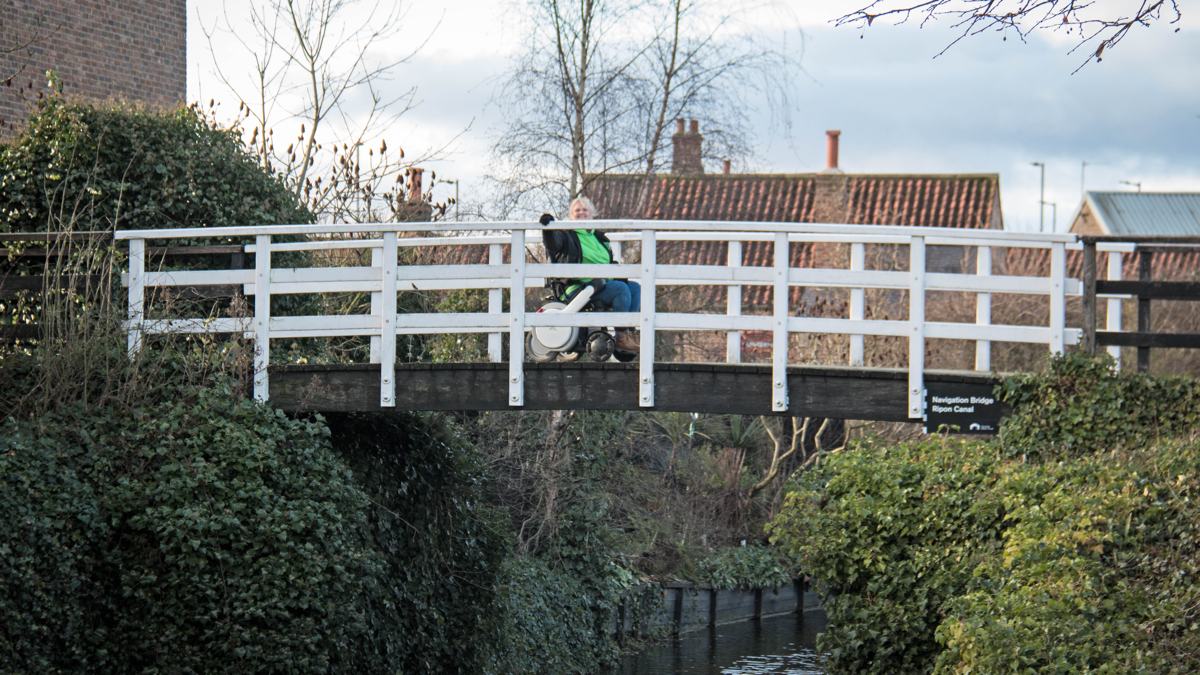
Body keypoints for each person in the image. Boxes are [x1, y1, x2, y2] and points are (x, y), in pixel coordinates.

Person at [540, 196, 641, 352]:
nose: (581, 213)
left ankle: (629, 333)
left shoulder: (600, 238)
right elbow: (553, 244)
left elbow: (609, 262)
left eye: (585, 210)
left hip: (602, 284)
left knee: (635, 288)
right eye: (577, 210)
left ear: (592, 214)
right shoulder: (567, 235)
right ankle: (621, 336)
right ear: (571, 215)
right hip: (579, 287)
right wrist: (548, 229)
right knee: (621, 289)